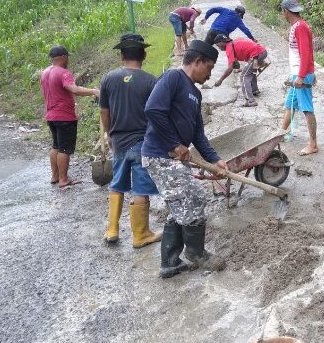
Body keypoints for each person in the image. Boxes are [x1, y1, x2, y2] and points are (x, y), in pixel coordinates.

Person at [141, 39, 228, 278]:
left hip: (173, 158)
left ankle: (169, 263)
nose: (210, 74)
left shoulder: (195, 94)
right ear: (197, 61)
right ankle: (195, 252)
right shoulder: (173, 79)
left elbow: (198, 134)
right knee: (196, 196)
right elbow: (153, 109)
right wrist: (174, 144)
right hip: (160, 155)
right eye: (209, 68)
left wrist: (214, 159)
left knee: (180, 205)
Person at [99, 33, 162, 248]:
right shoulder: (150, 81)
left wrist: (109, 135)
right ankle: (140, 234)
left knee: (117, 183)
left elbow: (104, 112)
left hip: (118, 140)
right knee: (140, 187)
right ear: (143, 54)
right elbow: (156, 115)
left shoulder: (108, 78)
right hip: (142, 142)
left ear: (121, 55)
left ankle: (112, 230)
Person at [40, 45, 99, 188]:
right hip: (64, 116)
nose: (68, 59)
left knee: (56, 145)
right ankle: (63, 179)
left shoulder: (45, 72)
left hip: (51, 116)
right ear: (62, 57)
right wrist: (94, 91)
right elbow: (74, 89)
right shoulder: (63, 73)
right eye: (67, 56)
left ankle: (55, 176)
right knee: (65, 149)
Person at [279, 0, 318, 156]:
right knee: (290, 105)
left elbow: (306, 53)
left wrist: (302, 76)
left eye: (283, 12)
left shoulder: (300, 27)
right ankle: (279, 134)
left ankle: (313, 144)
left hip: (300, 75)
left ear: (285, 11)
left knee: (307, 109)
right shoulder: (299, 25)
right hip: (298, 74)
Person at [212, 34, 270, 107]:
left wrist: (220, 80)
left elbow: (230, 68)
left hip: (256, 55)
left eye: (218, 45)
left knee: (244, 76)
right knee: (249, 72)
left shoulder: (229, 48)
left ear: (221, 42)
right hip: (261, 51)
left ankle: (250, 101)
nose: (219, 48)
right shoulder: (234, 42)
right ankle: (254, 90)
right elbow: (249, 43)